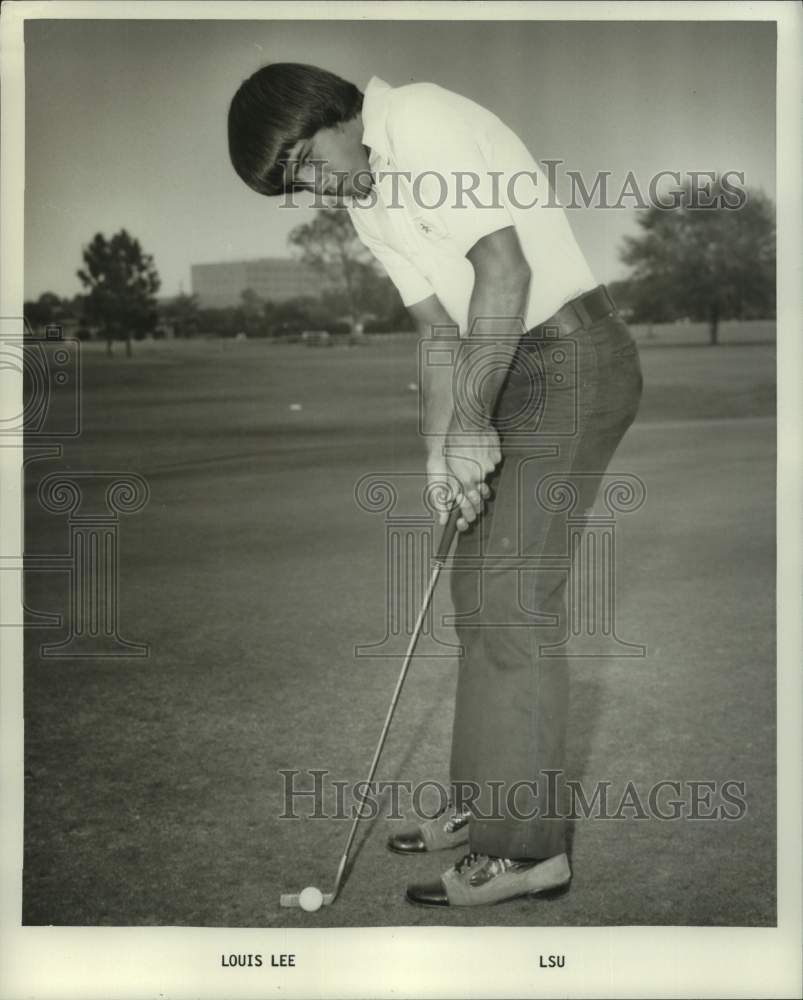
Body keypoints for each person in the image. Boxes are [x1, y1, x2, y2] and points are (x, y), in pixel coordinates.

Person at [228, 63, 644, 907]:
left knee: (511, 591)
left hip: (571, 361)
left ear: (333, 115)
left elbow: (504, 274)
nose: (311, 188)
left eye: (306, 161)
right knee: (473, 587)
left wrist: (470, 424)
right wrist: (437, 451)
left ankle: (527, 853)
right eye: (293, 186)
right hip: (506, 366)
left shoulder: (416, 121)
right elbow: (433, 331)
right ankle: (484, 805)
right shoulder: (362, 196)